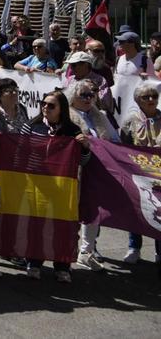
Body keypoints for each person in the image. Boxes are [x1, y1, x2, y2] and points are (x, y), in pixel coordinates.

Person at [21, 89, 87, 282]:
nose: (45, 108)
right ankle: (34, 262)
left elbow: (83, 161)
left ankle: (62, 265)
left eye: (51, 105)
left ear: (61, 109)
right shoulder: (31, 126)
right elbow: (20, 154)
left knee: (62, 227)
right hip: (35, 184)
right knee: (36, 224)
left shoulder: (72, 131)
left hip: (62, 186)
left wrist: (84, 147)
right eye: (44, 104)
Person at [67, 78, 118, 272]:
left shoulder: (101, 115)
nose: (89, 99)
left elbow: (114, 139)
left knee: (94, 211)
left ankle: (86, 252)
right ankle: (67, 250)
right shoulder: (68, 116)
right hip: (76, 170)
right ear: (73, 97)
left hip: (98, 171)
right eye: (84, 95)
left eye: (91, 95)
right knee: (73, 211)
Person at [124, 83, 161, 267]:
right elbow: (122, 146)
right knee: (137, 209)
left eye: (154, 96)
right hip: (137, 173)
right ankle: (134, 247)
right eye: (146, 97)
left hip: (159, 174)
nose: (151, 100)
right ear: (138, 100)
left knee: (159, 212)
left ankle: (159, 251)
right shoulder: (131, 120)